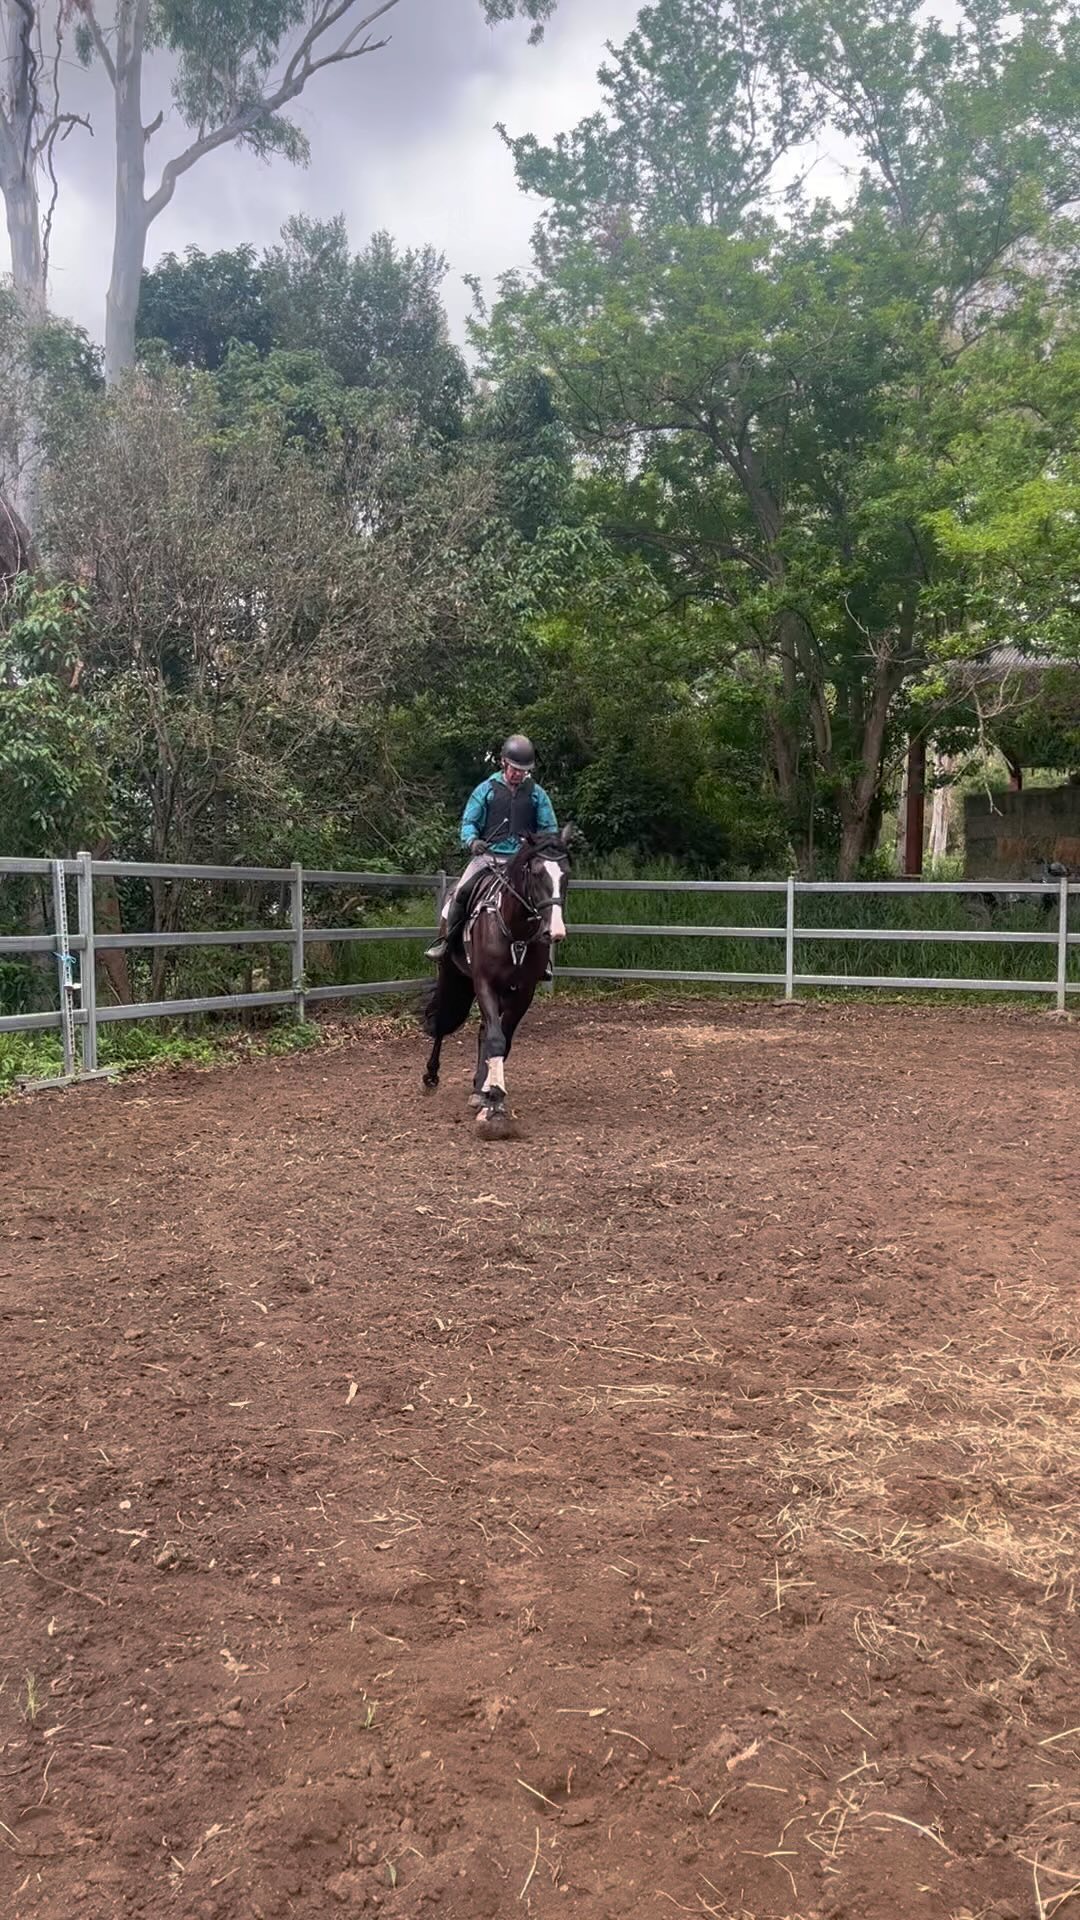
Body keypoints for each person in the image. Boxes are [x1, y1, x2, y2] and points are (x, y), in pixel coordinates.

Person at [426, 734, 559, 965]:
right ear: (504, 763)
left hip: (522, 861)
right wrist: (472, 841)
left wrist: (541, 846)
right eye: (515, 768)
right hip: (488, 858)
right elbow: (469, 823)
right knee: (459, 894)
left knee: (544, 896)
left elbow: (549, 828)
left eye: (523, 770)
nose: (519, 774)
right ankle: (446, 943)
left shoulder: (537, 794)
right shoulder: (485, 790)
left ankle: (541, 959)